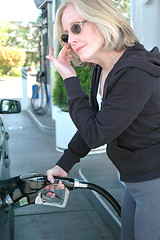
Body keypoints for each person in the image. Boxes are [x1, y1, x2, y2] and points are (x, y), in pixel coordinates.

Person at [46, 0, 160, 239]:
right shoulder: (105, 68)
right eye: (66, 36)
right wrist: (65, 163)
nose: (71, 40)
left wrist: (68, 77)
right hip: (135, 180)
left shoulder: (135, 73)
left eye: (76, 28)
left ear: (103, 19)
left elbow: (96, 133)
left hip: (154, 182)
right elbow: (98, 120)